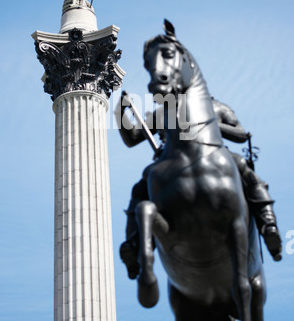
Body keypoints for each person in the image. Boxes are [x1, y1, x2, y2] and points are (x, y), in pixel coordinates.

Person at [115, 93, 282, 280]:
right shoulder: (165, 111)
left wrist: (209, 124)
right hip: (170, 161)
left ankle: (268, 225)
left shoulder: (216, 106)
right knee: (141, 187)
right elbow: (133, 138)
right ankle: (134, 244)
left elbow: (241, 134)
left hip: (214, 156)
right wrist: (120, 110)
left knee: (244, 170)